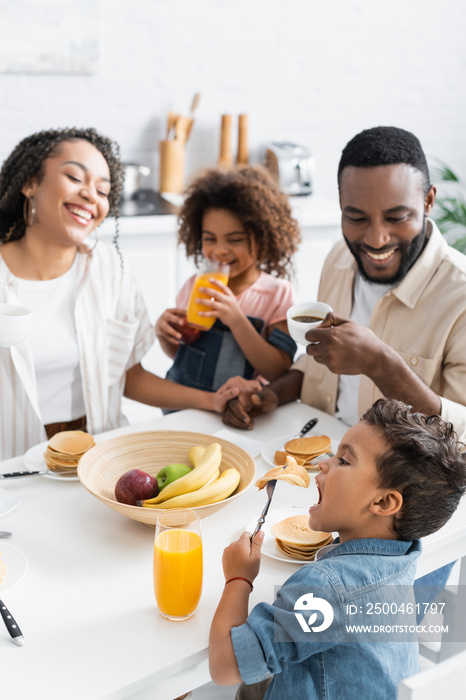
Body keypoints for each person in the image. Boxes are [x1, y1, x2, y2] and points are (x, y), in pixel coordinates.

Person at [0, 128, 239, 459]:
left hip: (97, 454)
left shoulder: (112, 271)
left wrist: (211, 400)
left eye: (103, 190)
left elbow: (129, 376)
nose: (91, 196)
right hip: (11, 461)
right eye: (74, 177)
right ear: (29, 183)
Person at [222, 126, 466, 443]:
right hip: (316, 451)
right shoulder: (340, 257)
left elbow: (461, 437)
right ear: (341, 204)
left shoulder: (459, 295)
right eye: (357, 218)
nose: (377, 240)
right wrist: (269, 396)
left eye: (397, 217)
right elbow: (317, 363)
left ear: (429, 201)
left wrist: (381, 365)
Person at [209, 399, 466, 699]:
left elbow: (224, 666)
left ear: (384, 503)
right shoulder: (403, 552)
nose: (323, 463)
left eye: (344, 461)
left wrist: (238, 579)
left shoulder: (325, 588)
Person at [155, 166, 300, 393]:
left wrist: (236, 319)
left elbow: (279, 370)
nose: (220, 251)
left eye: (235, 240)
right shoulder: (195, 285)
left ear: (263, 238)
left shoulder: (277, 294)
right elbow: (184, 356)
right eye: (210, 239)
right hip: (188, 407)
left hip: (239, 412)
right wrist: (165, 335)